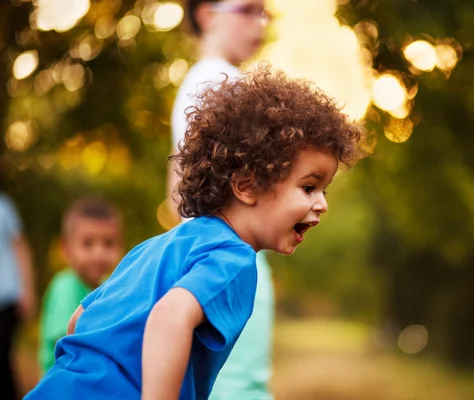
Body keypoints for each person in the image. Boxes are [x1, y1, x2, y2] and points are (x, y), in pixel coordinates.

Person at [24, 65, 365, 400]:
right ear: (246, 186)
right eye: (308, 187)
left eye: (324, 190)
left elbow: (77, 322)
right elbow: (170, 316)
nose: (322, 204)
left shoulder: (155, 248)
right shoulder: (234, 258)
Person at [167, 1, 274, 398]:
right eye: (248, 10)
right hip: (233, 254)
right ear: (207, 15)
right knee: (241, 386)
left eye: (265, 13)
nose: (260, 22)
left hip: (211, 253)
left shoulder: (194, 83)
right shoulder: (223, 80)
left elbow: (176, 186)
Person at [38, 197, 123, 375]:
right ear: (66, 249)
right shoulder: (65, 287)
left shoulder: (109, 287)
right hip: (63, 386)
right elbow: (68, 345)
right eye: (88, 243)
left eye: (108, 243)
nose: (99, 253)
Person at [0, 192, 35, 399]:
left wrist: (27, 290)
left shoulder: (4, 206)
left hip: (8, 294)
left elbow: (20, 247)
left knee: (2, 355)